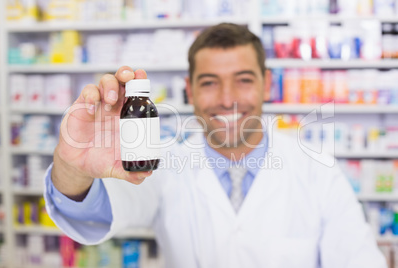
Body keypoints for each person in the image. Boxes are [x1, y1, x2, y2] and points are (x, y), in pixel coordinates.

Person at [44, 23, 386, 267]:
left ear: (267, 85)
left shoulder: (318, 170)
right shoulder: (161, 165)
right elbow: (93, 211)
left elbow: (358, 259)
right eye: (209, 83)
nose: (227, 100)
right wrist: (72, 168)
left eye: (243, 80)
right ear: (189, 90)